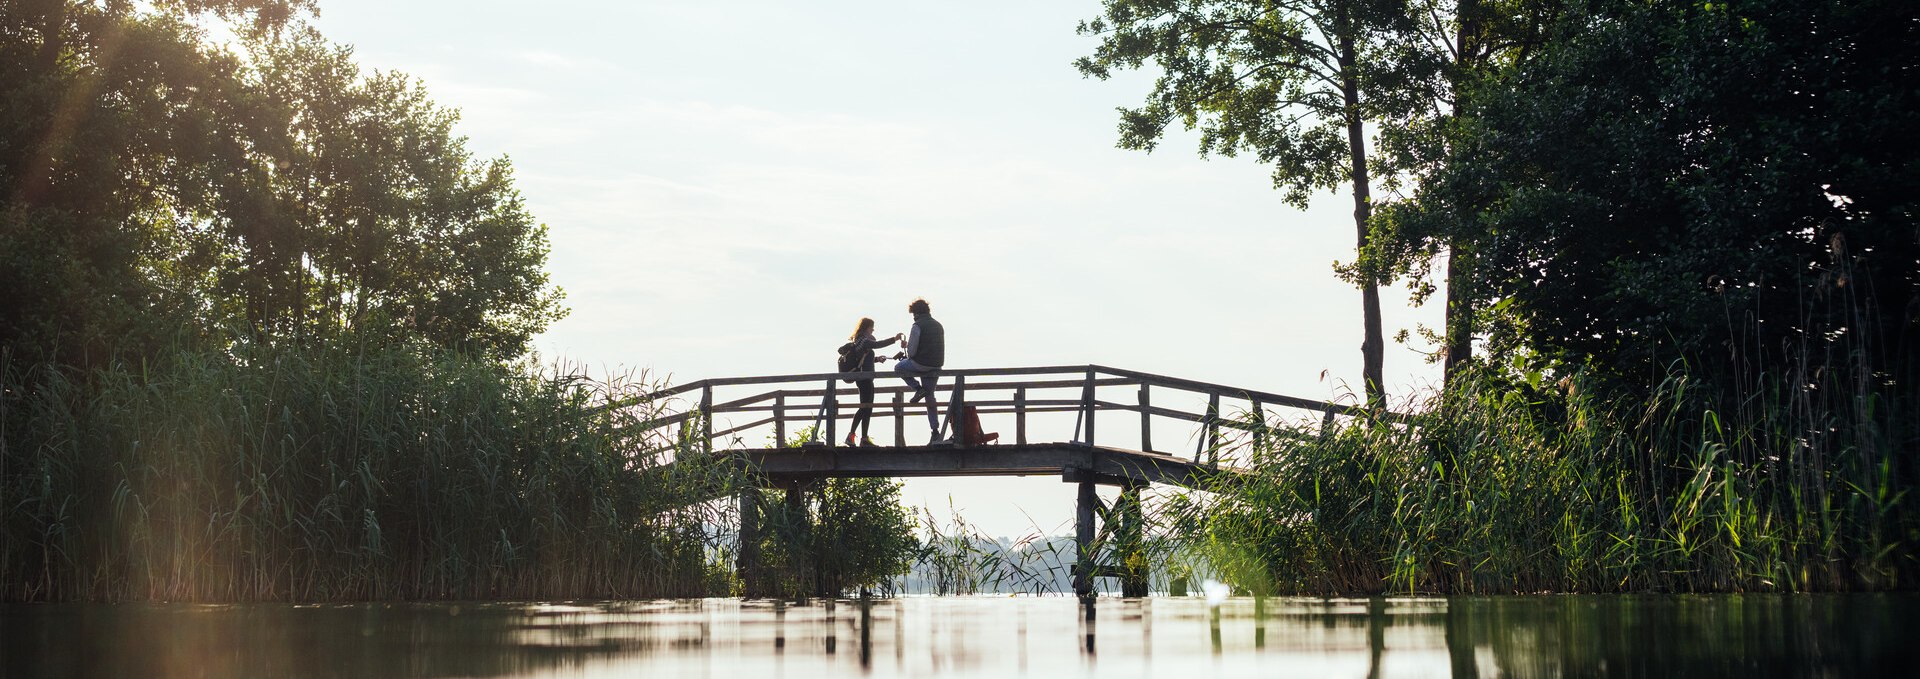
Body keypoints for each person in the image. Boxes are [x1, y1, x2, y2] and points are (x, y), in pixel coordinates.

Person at [892, 297, 946, 443]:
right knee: (930, 397)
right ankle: (935, 431)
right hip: (936, 365)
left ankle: (917, 388)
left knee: (898, 368)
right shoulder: (938, 325)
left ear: (915, 313)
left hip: (921, 363)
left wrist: (906, 346)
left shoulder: (917, 325)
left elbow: (912, 352)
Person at [842, 317, 902, 447]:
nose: (873, 330)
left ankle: (863, 438)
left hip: (866, 378)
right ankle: (853, 436)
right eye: (871, 327)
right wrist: (894, 339)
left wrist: (876, 359)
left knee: (867, 408)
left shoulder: (860, 341)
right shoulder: (864, 340)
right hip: (864, 379)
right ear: (866, 328)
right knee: (865, 407)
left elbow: (862, 360)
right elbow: (877, 344)